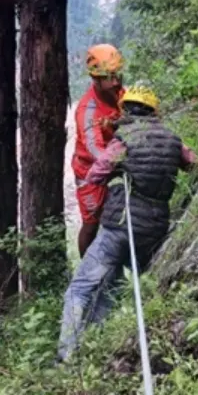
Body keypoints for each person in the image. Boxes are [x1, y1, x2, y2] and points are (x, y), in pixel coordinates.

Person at [58, 84, 198, 361]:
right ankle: (114, 342)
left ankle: (66, 355)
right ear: (153, 111)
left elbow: (96, 174)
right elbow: (197, 165)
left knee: (80, 289)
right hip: (154, 231)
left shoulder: (124, 139)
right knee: (127, 286)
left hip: (119, 229)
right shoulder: (173, 140)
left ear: (125, 109)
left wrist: (119, 173)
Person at [72, 44, 126, 257]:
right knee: (91, 222)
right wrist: (123, 159)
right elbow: (95, 149)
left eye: (117, 75)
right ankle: (86, 263)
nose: (116, 82)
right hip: (88, 170)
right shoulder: (88, 111)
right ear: (96, 79)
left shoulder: (120, 93)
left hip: (114, 157)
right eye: (109, 77)